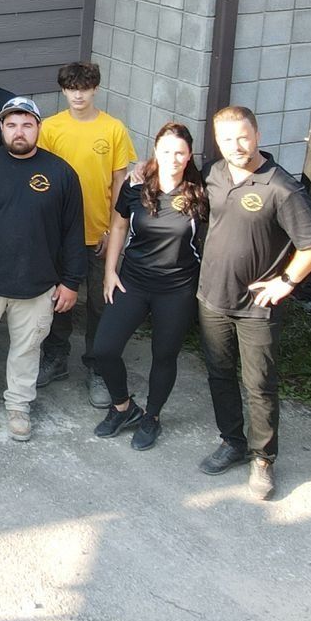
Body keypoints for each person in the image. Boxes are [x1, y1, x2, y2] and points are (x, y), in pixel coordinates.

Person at [196, 106, 311, 500]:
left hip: (257, 307)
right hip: (211, 298)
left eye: (243, 137)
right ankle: (232, 442)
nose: (236, 146)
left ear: (257, 135)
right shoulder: (213, 174)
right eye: (227, 140)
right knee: (219, 374)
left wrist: (287, 281)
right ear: (217, 142)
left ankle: (263, 459)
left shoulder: (280, 187)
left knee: (259, 384)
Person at [0, 96, 87, 441]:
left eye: (26, 124)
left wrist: (70, 282)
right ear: (1, 128)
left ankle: (19, 406)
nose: (18, 131)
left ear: (38, 128)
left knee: (26, 351)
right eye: (11, 124)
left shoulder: (61, 173)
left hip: (38, 285)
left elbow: (73, 233)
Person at [90, 122, 208, 453]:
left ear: (189, 156)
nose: (173, 158)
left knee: (164, 355)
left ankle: (152, 417)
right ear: (156, 151)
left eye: (180, 153)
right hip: (134, 280)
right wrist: (110, 271)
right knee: (105, 349)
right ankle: (124, 407)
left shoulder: (200, 192)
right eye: (166, 151)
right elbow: (118, 224)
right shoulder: (137, 184)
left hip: (177, 287)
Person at [38, 60, 138, 407]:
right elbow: (42, 179)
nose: (78, 95)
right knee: (58, 300)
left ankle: (97, 365)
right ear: (63, 90)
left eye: (84, 88)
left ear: (95, 88)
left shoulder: (113, 129)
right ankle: (56, 356)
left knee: (100, 302)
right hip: (59, 233)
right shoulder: (50, 128)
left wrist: (114, 229)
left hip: (99, 233)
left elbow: (120, 183)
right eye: (71, 88)